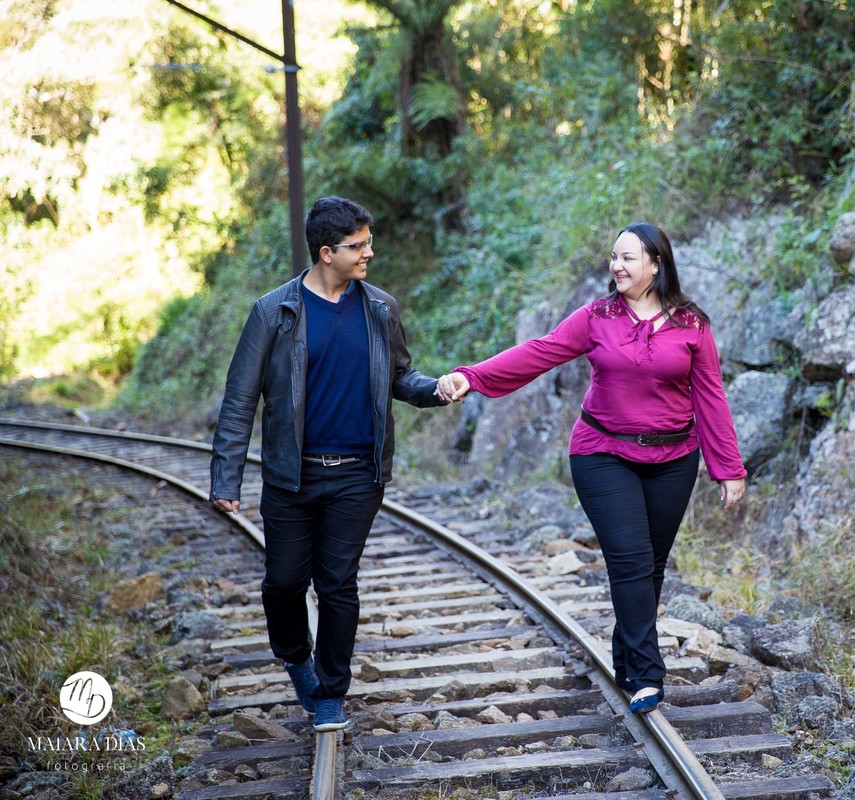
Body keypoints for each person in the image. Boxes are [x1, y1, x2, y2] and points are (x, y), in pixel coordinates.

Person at [436, 222, 746, 715]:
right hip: (603, 451)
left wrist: (727, 466)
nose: (616, 266)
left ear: (656, 264)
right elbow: (538, 353)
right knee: (630, 559)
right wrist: (470, 377)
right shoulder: (596, 316)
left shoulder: (692, 324)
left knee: (650, 566)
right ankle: (647, 673)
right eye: (614, 257)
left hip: (673, 457)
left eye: (628, 258)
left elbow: (709, 394)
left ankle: (627, 656)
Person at [209, 196, 445, 731]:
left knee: (338, 583)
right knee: (284, 583)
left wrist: (436, 389)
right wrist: (225, 477)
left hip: (358, 474)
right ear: (326, 252)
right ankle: (296, 657)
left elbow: (400, 376)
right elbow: (240, 398)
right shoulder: (275, 311)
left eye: (368, 242)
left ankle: (332, 690)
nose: (369, 253)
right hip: (293, 475)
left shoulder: (380, 308)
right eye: (357, 246)